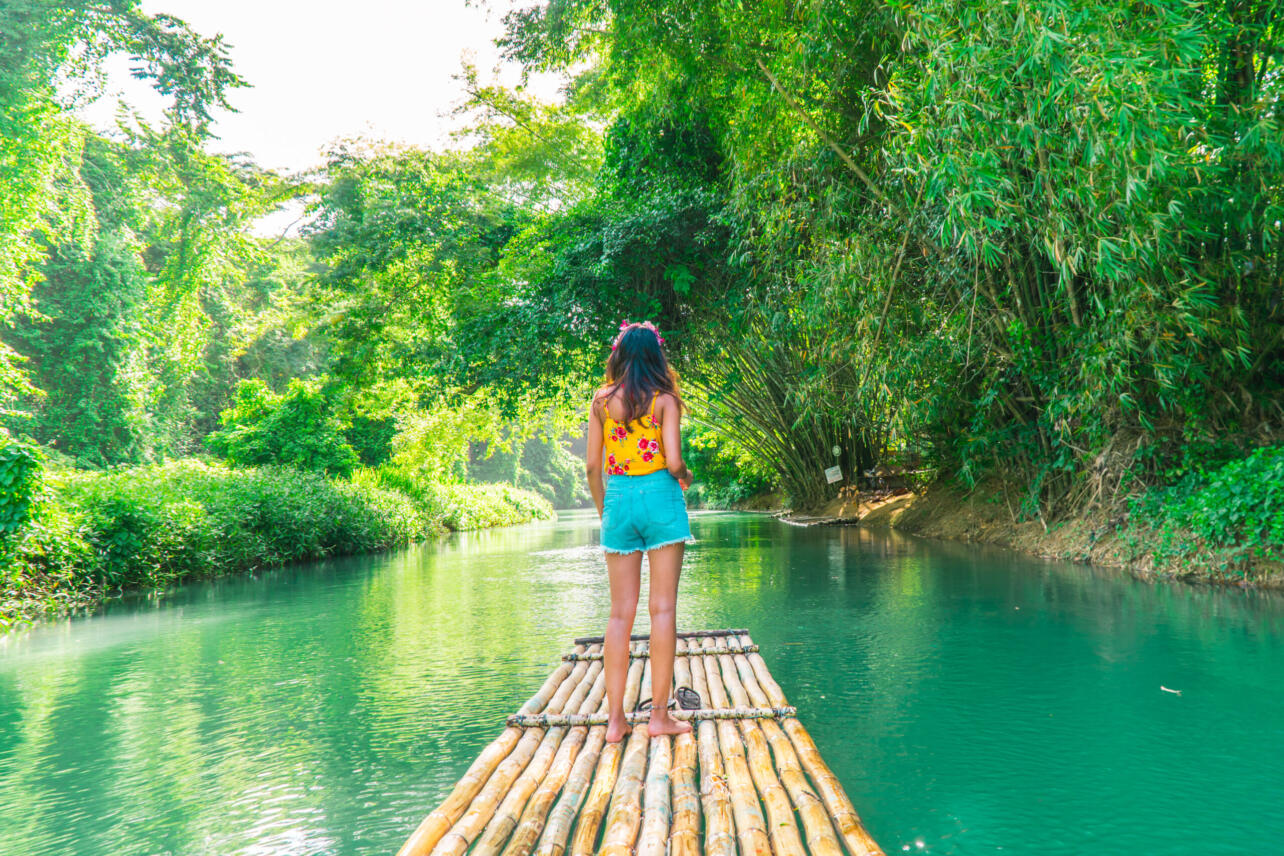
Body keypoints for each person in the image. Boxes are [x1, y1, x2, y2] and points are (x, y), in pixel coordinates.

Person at [585, 320, 695, 743]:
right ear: (656, 357)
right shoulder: (665, 401)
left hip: (619, 502)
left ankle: (615, 721)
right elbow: (673, 462)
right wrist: (684, 475)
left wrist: (604, 511)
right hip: (661, 499)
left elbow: (593, 467)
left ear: (619, 357)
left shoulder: (600, 402)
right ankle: (660, 718)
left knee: (619, 614)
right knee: (662, 610)